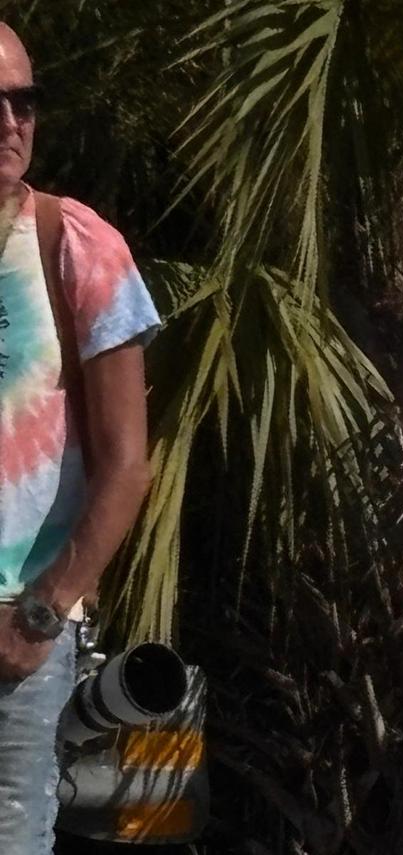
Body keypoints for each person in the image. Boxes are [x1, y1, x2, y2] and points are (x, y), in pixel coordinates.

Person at [0, 23, 159, 853]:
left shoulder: (75, 245)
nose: (10, 122)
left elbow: (128, 464)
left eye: (24, 101)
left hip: (13, 631)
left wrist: (40, 612)